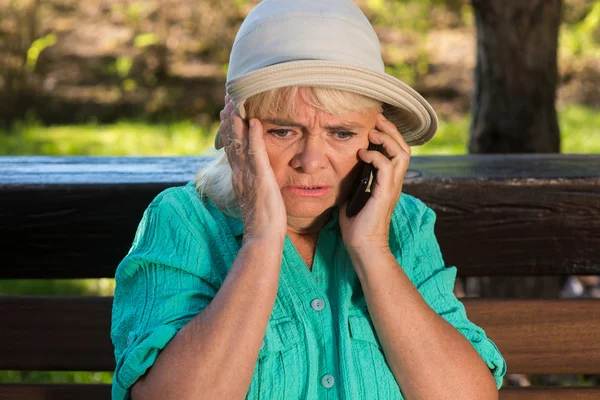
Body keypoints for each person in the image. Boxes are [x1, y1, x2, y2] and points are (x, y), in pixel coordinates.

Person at [110, 0, 507, 399]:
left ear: (378, 138)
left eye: (342, 133)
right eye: (283, 131)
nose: (311, 161)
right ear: (236, 135)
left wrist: (372, 250)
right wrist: (262, 239)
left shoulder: (406, 224)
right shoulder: (182, 221)